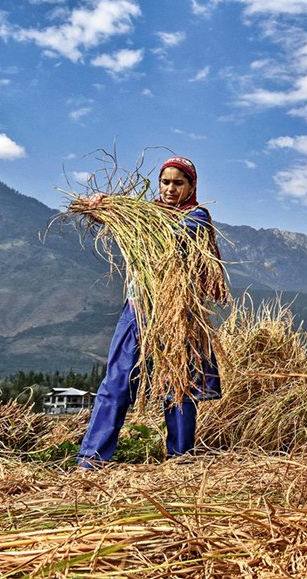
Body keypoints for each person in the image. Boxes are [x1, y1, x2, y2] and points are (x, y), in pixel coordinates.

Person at [77, 156, 223, 468]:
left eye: (178, 183)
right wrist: (101, 206)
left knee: (178, 385)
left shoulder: (196, 216)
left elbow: (168, 231)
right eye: (165, 182)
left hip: (178, 312)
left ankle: (179, 459)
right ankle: (91, 460)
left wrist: (119, 209)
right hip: (139, 308)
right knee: (117, 380)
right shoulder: (145, 214)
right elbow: (127, 219)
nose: (171, 189)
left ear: (192, 186)